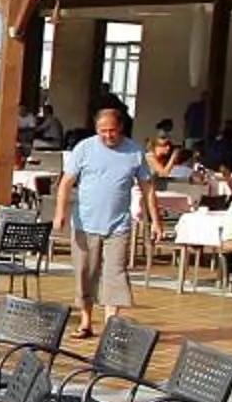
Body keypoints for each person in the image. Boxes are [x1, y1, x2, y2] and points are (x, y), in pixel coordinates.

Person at [52, 101, 156, 341]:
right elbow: (66, 182)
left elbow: (147, 188)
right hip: (85, 222)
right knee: (85, 272)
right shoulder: (84, 149)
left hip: (118, 224)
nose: (108, 135)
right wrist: (60, 212)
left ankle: (111, 323)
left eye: (112, 130)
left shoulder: (134, 152)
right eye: (103, 130)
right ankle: (86, 321)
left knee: (115, 272)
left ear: (121, 128)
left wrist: (155, 221)